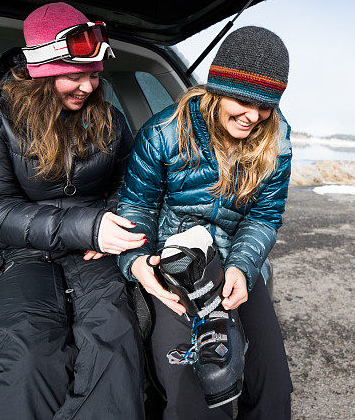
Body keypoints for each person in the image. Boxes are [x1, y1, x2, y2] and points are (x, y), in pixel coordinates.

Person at [0, 2, 145, 420]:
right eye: (74, 76)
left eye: (94, 75)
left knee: (115, 347)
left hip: (96, 250)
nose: (89, 87)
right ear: (39, 74)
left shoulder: (109, 118)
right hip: (15, 252)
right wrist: (87, 226)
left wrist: (111, 223)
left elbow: (129, 184)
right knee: (25, 357)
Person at [117, 26, 294, 419]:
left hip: (235, 264)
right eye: (245, 100)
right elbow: (136, 210)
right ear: (216, 86)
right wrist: (136, 262)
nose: (254, 116)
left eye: (266, 106)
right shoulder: (163, 134)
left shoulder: (275, 143)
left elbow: (264, 217)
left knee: (273, 385)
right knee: (189, 389)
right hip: (176, 266)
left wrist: (242, 267)